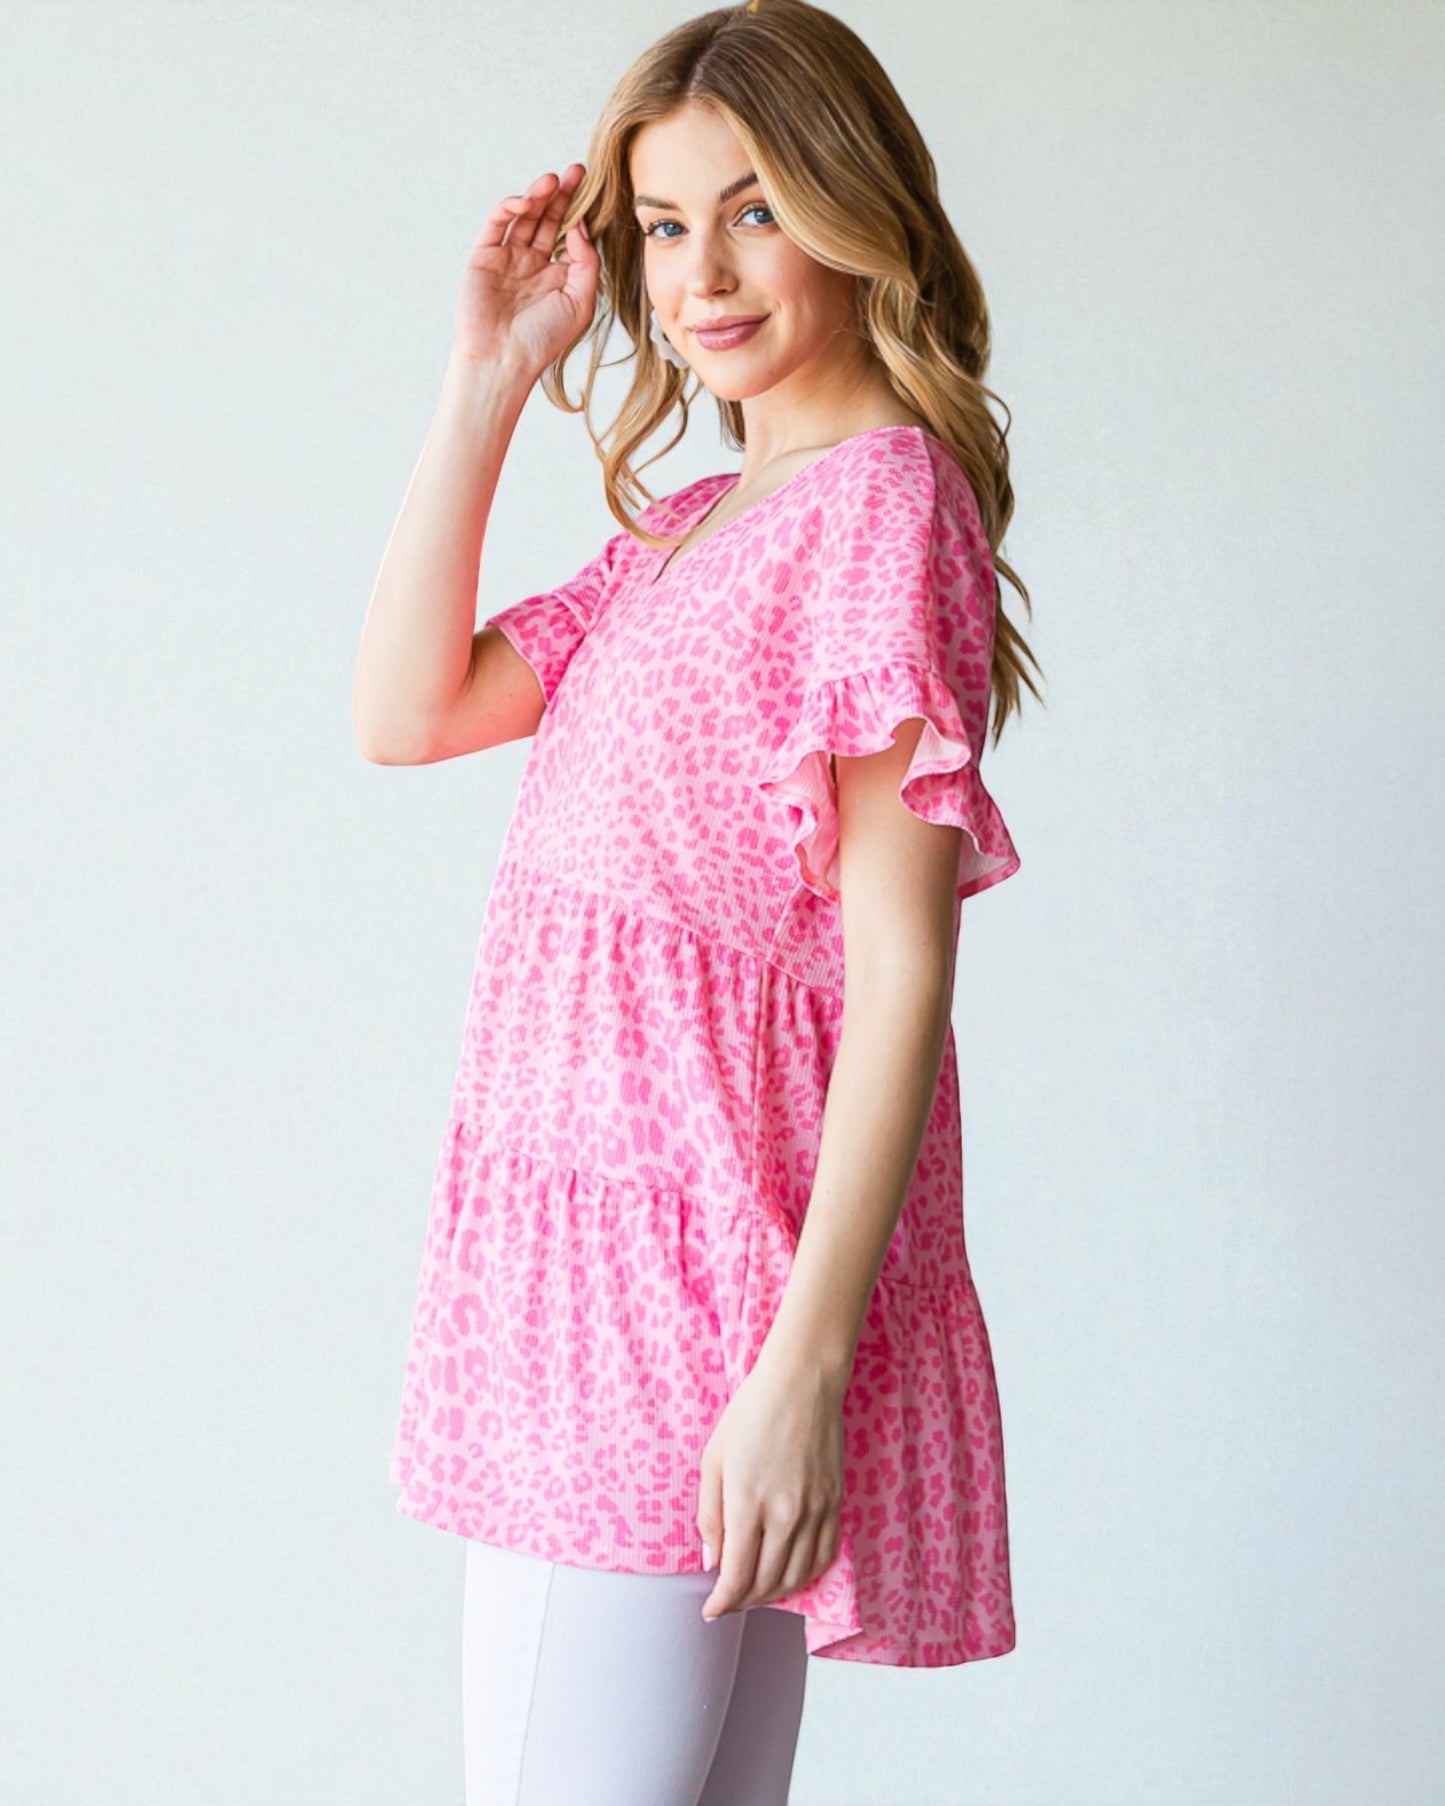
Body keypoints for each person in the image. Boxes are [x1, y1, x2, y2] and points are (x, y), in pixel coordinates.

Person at [354, 0, 1043, 1798]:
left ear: (851, 199)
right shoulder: (686, 526)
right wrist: (491, 374)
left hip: (685, 1308)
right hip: (605, 1289)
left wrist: (800, 1369)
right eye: (665, 224)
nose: (702, 273)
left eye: (754, 207)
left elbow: (902, 971)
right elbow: (404, 710)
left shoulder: (877, 505)